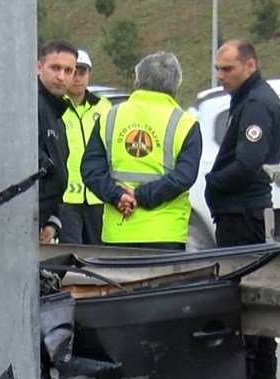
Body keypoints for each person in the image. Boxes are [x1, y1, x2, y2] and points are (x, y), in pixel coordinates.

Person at [205, 38, 280, 379]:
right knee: (253, 296)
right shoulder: (252, 99)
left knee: (240, 298)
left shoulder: (255, 103)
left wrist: (213, 183)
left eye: (227, 69)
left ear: (249, 66)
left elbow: (248, 162)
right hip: (247, 210)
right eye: (218, 68)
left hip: (242, 212)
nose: (220, 76)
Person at [80, 51, 201, 250]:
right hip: (165, 234)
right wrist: (141, 195)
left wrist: (117, 195)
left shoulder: (109, 117)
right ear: (176, 87)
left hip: (118, 230)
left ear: (137, 82)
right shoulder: (186, 124)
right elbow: (184, 176)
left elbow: (91, 170)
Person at [60, 49, 111, 245]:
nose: (77, 78)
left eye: (83, 72)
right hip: (67, 199)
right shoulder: (56, 107)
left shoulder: (103, 107)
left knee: (98, 255)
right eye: (74, 72)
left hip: (97, 197)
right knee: (70, 255)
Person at [36, 41, 78, 244]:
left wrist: (53, 221)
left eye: (68, 70)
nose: (61, 77)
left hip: (39, 224)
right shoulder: (29, 104)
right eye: (55, 68)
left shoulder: (57, 114)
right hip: (16, 221)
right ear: (38, 67)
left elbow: (58, 178)